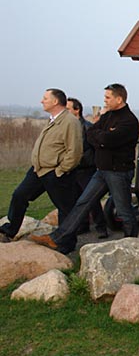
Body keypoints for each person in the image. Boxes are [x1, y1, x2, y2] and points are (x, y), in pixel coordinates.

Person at [30, 83, 139, 254]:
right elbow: (90, 134)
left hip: (118, 172)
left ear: (119, 99)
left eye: (108, 97)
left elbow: (108, 140)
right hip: (101, 170)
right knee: (82, 203)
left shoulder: (129, 121)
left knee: (124, 210)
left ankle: (132, 247)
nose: (105, 100)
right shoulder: (108, 116)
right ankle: (57, 238)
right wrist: (101, 138)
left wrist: (101, 138)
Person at [0, 89, 82, 243]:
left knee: (65, 209)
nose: (41, 101)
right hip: (38, 170)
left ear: (55, 101)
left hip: (55, 172)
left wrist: (60, 170)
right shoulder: (52, 119)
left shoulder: (70, 122)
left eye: (45, 98)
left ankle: (66, 244)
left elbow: (75, 151)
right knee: (19, 195)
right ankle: (9, 231)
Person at [66, 97, 109, 239]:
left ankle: (101, 227)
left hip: (86, 168)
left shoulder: (87, 127)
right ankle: (83, 225)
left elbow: (96, 148)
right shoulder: (68, 127)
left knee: (91, 199)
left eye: (68, 109)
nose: (65, 112)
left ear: (77, 110)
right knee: (76, 198)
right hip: (72, 168)